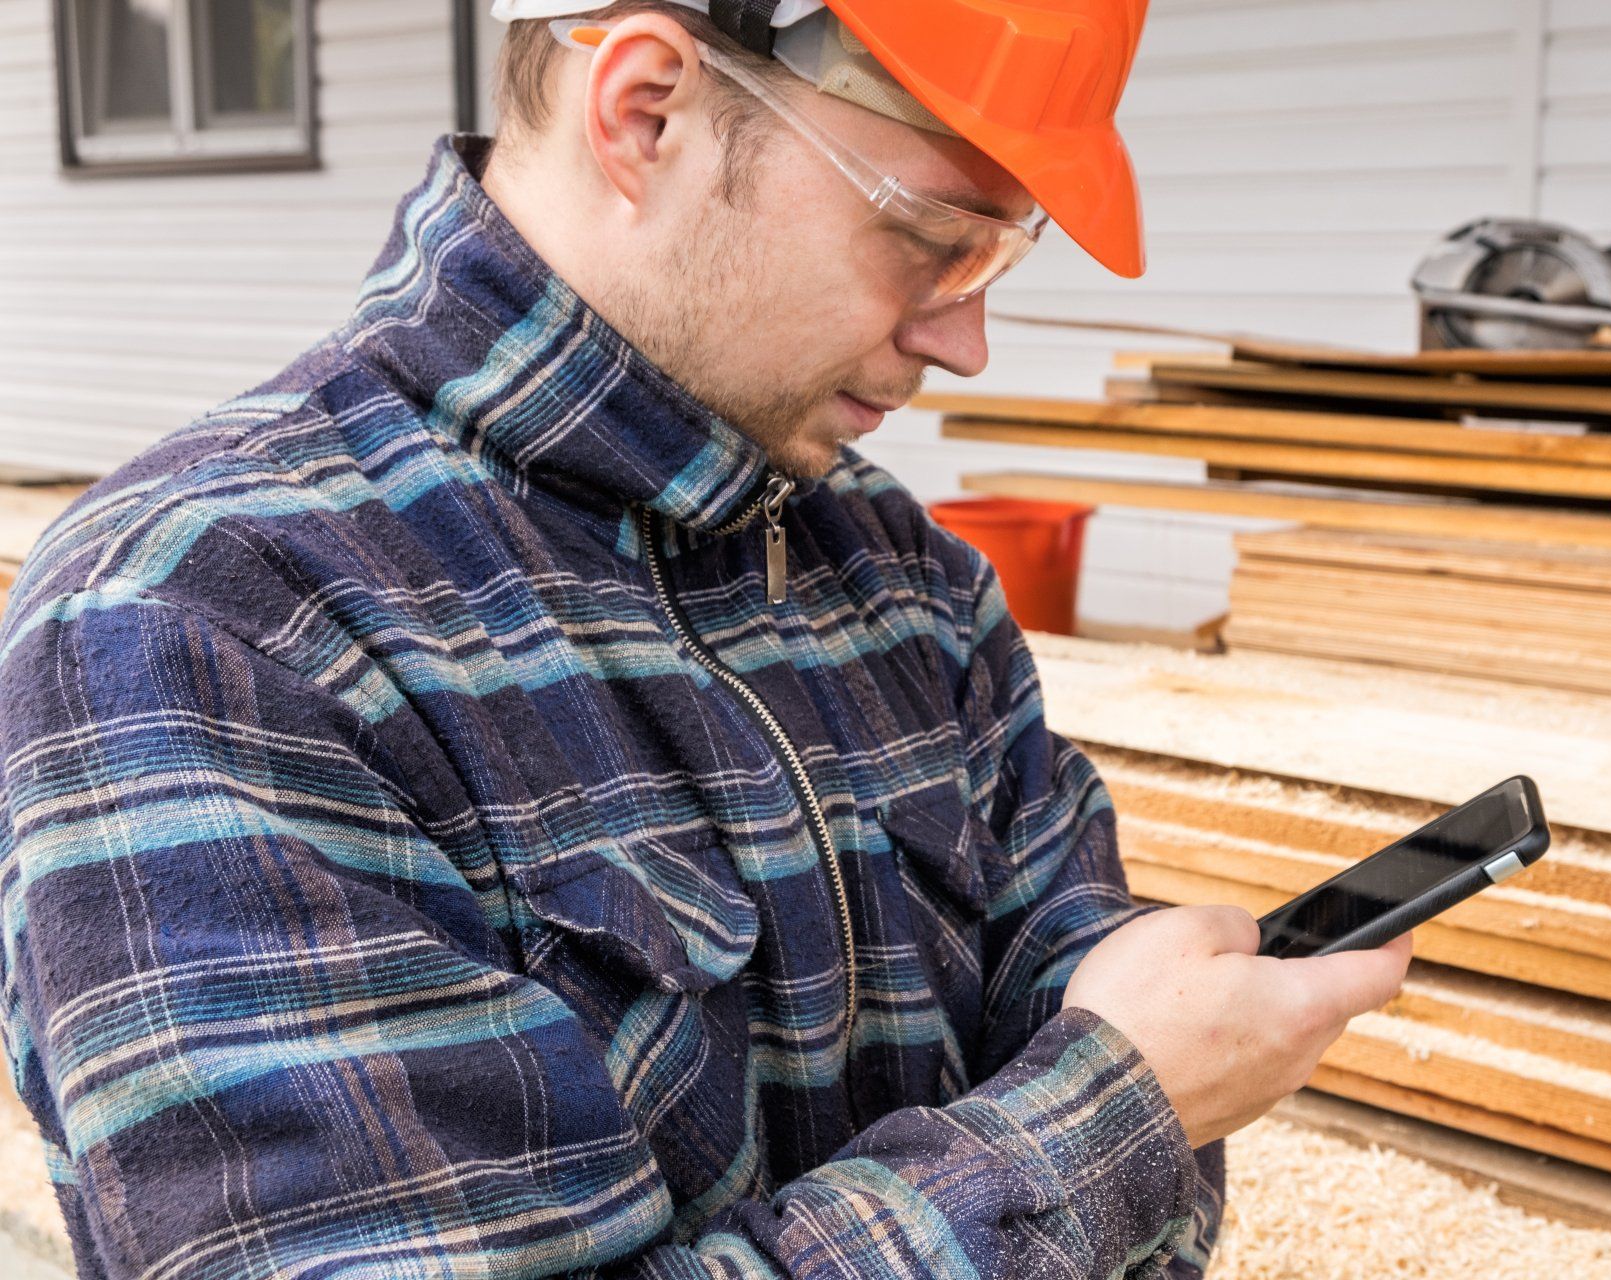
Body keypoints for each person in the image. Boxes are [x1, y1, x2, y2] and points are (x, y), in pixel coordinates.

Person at [0, 2, 1411, 1276]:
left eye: (1005, 250)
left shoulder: (903, 579)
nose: (969, 339)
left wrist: (1136, 1100)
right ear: (647, 108)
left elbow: (1123, 1100)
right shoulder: (209, 625)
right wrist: (1102, 1126)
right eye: (934, 236)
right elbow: (1114, 1119)